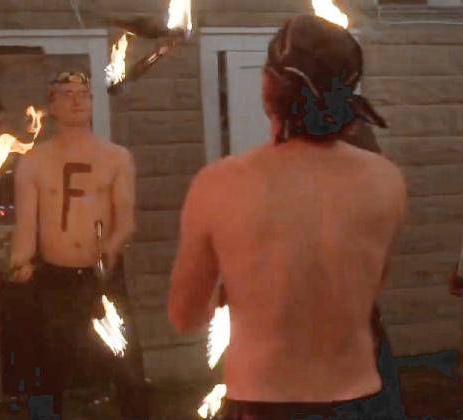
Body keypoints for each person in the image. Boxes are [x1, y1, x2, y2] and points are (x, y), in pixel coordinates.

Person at [168, 15, 407, 420]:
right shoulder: (386, 179)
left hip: (268, 399)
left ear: (267, 87)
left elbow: (185, 315)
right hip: (364, 398)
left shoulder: (220, 183)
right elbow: (366, 289)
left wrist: (241, 283)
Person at [10, 71, 150, 419]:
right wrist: (20, 260)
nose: (76, 101)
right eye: (67, 94)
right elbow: (26, 226)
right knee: (48, 370)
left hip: (101, 278)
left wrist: (111, 247)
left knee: (126, 365)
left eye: (83, 94)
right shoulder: (33, 161)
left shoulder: (117, 157)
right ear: (52, 106)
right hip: (55, 279)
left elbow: (126, 220)